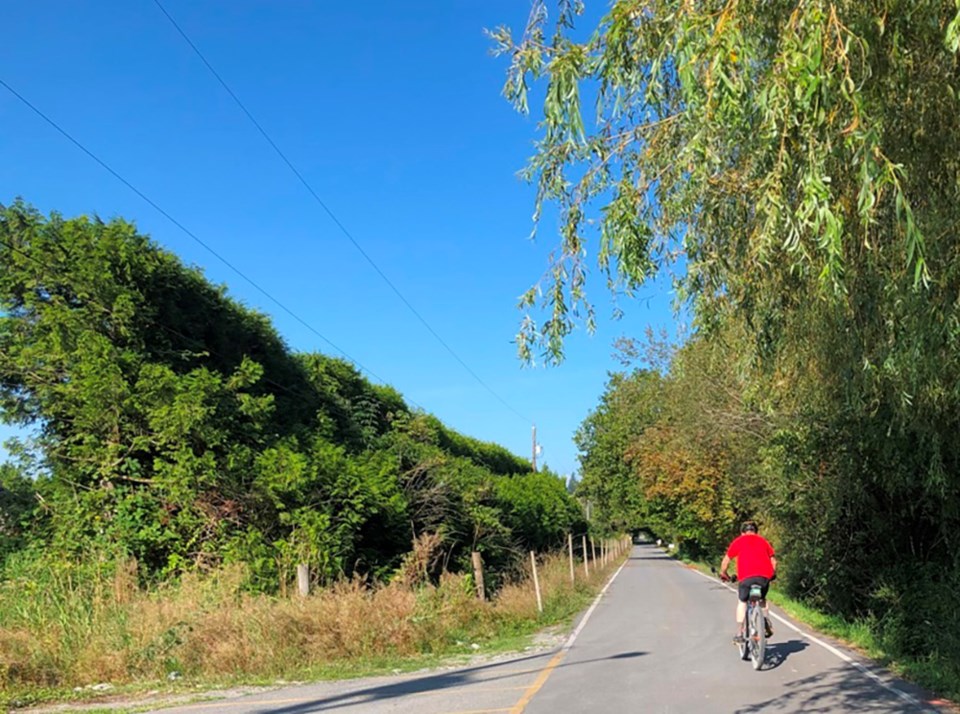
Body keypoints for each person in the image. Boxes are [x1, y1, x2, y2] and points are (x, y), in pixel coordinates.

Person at [719, 520, 777, 643]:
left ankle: (739, 633)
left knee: (742, 601)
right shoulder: (763, 541)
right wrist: (772, 574)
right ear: (756, 532)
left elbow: (726, 561)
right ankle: (766, 620)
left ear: (742, 532)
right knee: (762, 599)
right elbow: (773, 561)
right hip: (763, 578)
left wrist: (724, 573)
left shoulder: (739, 541)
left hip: (746, 578)